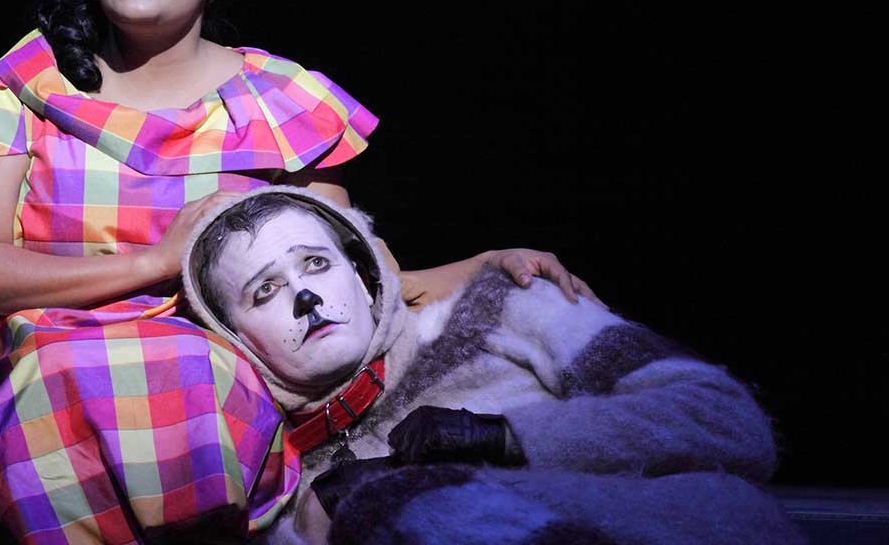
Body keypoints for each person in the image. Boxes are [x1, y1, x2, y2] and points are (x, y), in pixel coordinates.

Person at [0, 0, 592, 544]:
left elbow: (356, 286)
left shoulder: (279, 106)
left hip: (222, 408)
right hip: (47, 394)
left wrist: (487, 263)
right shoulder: (21, 92)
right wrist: (160, 260)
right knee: (64, 381)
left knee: (199, 376)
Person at [182, 186, 806, 544]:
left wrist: (502, 438)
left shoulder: (502, 308)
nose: (307, 298)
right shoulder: (270, 483)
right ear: (239, 341)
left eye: (316, 264)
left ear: (367, 278)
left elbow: (726, 420)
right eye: (265, 290)